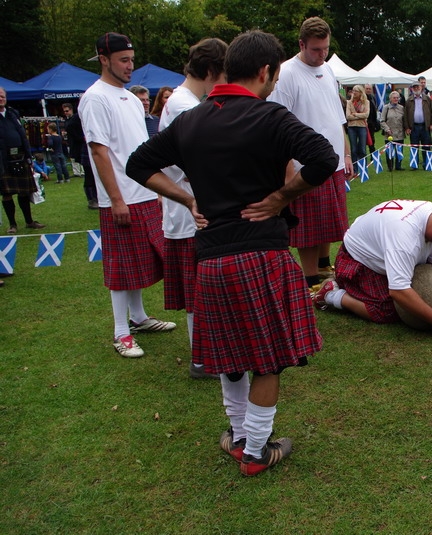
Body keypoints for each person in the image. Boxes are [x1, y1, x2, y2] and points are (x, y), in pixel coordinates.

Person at [126, 29, 339, 476]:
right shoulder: (271, 117)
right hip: (262, 254)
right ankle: (257, 451)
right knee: (270, 356)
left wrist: (186, 198)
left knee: (230, 353)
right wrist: (282, 197)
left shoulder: (189, 120)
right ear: (266, 72)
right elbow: (323, 156)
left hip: (212, 259)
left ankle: (239, 436)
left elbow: (138, 165)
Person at [79, 32, 176, 358]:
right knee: (122, 267)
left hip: (144, 194)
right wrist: (116, 199)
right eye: (123, 60)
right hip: (120, 198)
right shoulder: (95, 98)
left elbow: (141, 149)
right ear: (104, 59)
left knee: (141, 261)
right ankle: (121, 332)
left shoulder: (132, 99)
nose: (129, 66)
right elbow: (99, 151)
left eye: (131, 60)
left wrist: (156, 189)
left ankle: (138, 318)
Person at [158, 37, 228, 379]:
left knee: (198, 288)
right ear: (212, 71)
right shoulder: (185, 107)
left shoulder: (183, 101)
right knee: (198, 289)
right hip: (191, 215)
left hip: (188, 211)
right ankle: (201, 359)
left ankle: (203, 354)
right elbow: (197, 164)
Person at [268, 16, 352, 292]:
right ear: (301, 44)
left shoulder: (327, 70)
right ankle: (309, 279)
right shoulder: (287, 73)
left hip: (333, 161)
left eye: (325, 48)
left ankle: (324, 264)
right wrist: (289, 167)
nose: (322, 55)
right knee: (308, 225)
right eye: (316, 49)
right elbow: (278, 124)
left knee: (329, 219)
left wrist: (347, 154)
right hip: (305, 163)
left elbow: (338, 117)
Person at [313, 200, 432, 329]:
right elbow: (398, 291)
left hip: (383, 248)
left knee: (411, 302)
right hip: (354, 260)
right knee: (389, 310)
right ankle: (332, 294)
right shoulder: (405, 240)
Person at [0, 86, 45, 235]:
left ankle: (29, 221)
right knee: (7, 193)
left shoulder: (13, 113)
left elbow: (23, 136)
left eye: (3, 96)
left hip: (20, 156)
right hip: (3, 160)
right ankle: (12, 224)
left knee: (24, 192)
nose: (1, 99)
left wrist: (28, 156)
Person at [403, 80, 432, 170]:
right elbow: (405, 115)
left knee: (426, 146)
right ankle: (414, 165)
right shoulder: (409, 100)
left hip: (425, 126)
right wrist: (407, 127)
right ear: (412, 89)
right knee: (414, 146)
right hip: (414, 127)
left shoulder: (427, 99)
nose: (416, 88)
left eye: (418, 87)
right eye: (414, 87)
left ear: (421, 88)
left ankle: (427, 164)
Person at [379, 90, 406, 171]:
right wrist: (387, 129)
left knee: (399, 150)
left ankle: (398, 166)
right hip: (389, 134)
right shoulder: (385, 108)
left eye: (397, 98)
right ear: (390, 99)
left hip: (400, 133)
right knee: (389, 151)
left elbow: (404, 119)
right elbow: (382, 121)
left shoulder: (401, 108)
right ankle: (390, 167)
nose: (396, 99)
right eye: (394, 98)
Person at [345, 84, 369, 164]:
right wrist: (360, 116)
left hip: (362, 126)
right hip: (351, 127)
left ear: (360, 92)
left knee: (362, 149)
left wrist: (355, 114)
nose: (354, 92)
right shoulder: (349, 102)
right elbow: (348, 116)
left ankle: (363, 168)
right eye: (353, 90)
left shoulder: (366, 102)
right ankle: (354, 168)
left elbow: (366, 115)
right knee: (354, 149)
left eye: (356, 91)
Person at [61, 103, 84, 177]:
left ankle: (83, 171)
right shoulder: (66, 121)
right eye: (64, 111)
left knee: (81, 155)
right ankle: (76, 172)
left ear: (71, 110)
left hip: (79, 141)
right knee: (73, 157)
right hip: (71, 141)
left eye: (67, 111)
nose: (65, 113)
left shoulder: (76, 118)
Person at [364, 84, 380, 154]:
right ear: (364, 89)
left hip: (372, 122)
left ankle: (372, 154)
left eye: (369, 89)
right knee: (363, 140)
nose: (368, 90)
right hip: (364, 122)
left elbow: (374, 109)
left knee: (372, 140)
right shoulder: (362, 98)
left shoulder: (373, 97)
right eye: (367, 88)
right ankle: (363, 155)